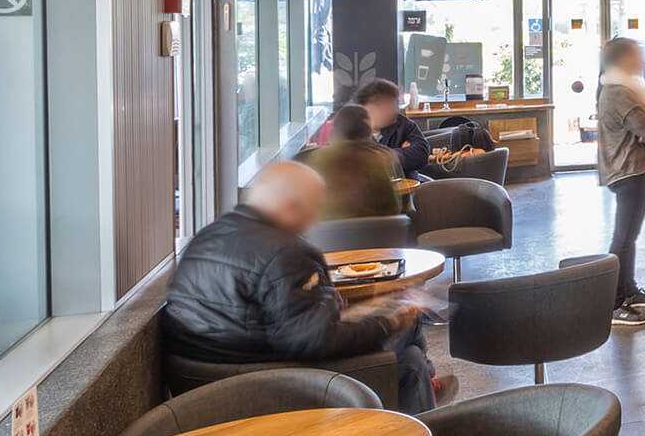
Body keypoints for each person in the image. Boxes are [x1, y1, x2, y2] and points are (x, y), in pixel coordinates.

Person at [163, 162, 444, 412]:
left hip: (200, 381)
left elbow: (289, 321)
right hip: (266, 383)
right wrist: (388, 321)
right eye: (313, 208)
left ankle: (426, 387)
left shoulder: (209, 236)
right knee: (408, 358)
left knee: (400, 321)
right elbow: (313, 340)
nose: (315, 219)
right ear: (290, 205)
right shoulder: (287, 252)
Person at [597, 38, 645, 328]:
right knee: (623, 237)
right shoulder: (621, 94)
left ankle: (628, 290)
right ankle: (613, 304)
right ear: (622, 60)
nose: (640, 59)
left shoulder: (617, 89)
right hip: (628, 169)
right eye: (635, 55)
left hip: (627, 169)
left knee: (629, 236)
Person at [306, 104, 404, 221]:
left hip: (328, 235)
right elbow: (394, 208)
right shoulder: (381, 157)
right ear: (367, 130)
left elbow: (310, 205)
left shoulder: (317, 157)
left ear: (336, 129)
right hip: (377, 234)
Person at [354, 79, 432, 178]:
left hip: (405, 188)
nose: (395, 109)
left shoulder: (404, 125)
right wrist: (401, 153)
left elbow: (422, 155)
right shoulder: (351, 127)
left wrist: (385, 157)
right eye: (388, 104)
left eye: (395, 104)